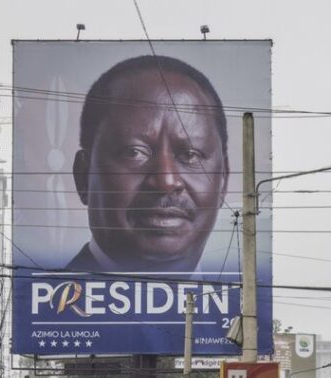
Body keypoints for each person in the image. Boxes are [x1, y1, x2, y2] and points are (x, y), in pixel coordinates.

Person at [70, 55, 229, 273]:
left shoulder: (245, 305)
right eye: (134, 152)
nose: (166, 181)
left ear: (223, 181)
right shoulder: (49, 305)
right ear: (83, 177)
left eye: (191, 155)